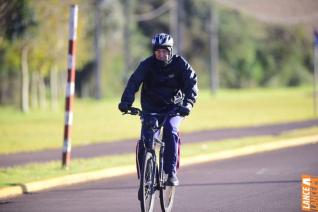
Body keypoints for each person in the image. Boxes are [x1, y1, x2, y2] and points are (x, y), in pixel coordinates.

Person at [118, 33, 198, 186]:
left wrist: (188, 104)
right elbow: (134, 82)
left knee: (170, 129)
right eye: (158, 51)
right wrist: (126, 102)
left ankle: (171, 173)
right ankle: (146, 178)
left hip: (174, 108)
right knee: (145, 141)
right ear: (154, 51)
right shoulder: (146, 65)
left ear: (171, 50)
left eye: (165, 51)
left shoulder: (180, 64)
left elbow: (192, 84)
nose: (161, 54)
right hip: (151, 108)